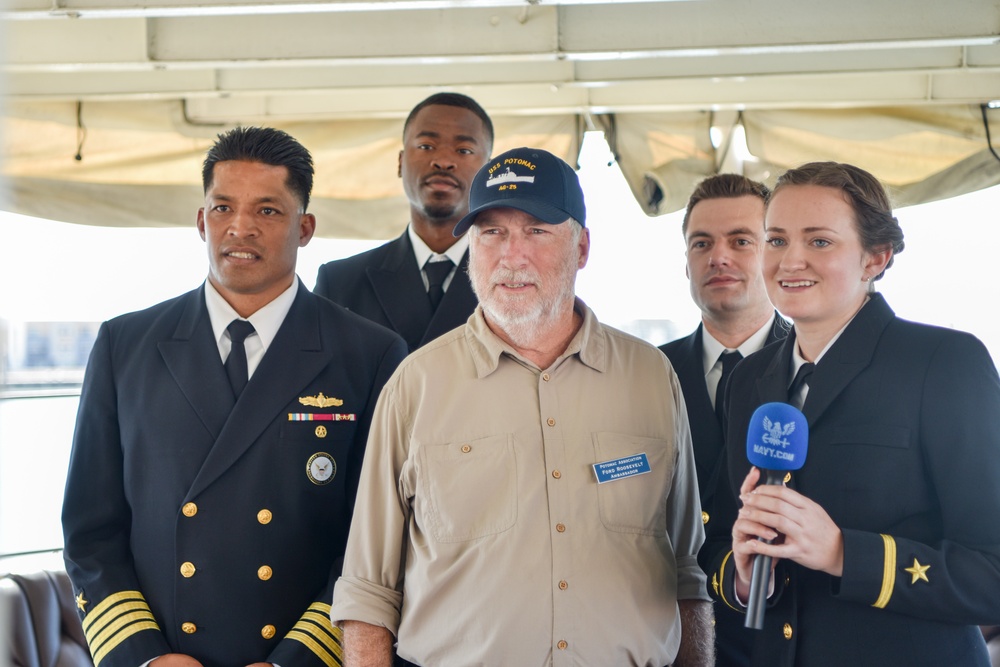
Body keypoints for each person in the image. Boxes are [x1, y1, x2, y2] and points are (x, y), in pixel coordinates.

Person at [329, 147, 714, 667]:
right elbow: (367, 593)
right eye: (491, 232)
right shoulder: (414, 386)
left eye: (536, 230)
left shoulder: (650, 378)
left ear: (581, 248)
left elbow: (688, 570)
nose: (511, 257)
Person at [61, 127, 408, 667]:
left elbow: (377, 541)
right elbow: (90, 530)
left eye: (268, 211)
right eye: (222, 207)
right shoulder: (124, 345)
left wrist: (296, 659)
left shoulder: (370, 354)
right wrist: (144, 657)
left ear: (306, 227)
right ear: (201, 220)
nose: (240, 227)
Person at [701, 161, 1000, 666]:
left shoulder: (944, 362)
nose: (791, 261)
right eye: (776, 240)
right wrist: (746, 575)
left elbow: (991, 575)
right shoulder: (748, 380)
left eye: (819, 241)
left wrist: (843, 553)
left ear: (875, 258)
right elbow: (718, 541)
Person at [659, 174, 788, 667]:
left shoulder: (817, 368)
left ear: (773, 253)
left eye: (741, 241)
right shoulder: (646, 372)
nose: (719, 257)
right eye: (702, 243)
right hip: (672, 637)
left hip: (779, 638)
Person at [313, 93, 492, 351]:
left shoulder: (512, 282)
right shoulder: (341, 283)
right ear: (400, 162)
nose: (442, 161)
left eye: (464, 150)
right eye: (426, 146)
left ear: (488, 170)